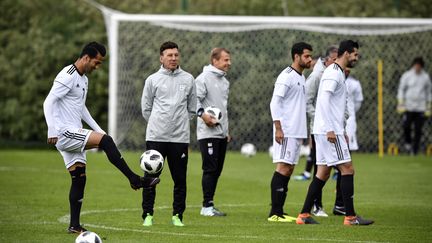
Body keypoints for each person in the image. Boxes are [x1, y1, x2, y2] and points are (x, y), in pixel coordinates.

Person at [43, 42, 160, 234]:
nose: (97, 67)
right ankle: (135, 179)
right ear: (86, 58)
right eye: (96, 63)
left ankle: (74, 225)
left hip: (73, 132)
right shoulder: (67, 75)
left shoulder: (84, 80)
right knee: (106, 142)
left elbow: (81, 109)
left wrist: (100, 130)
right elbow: (49, 101)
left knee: (79, 178)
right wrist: (52, 130)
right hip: (64, 132)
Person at [296, 40, 374, 225]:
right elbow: (323, 100)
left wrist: (340, 129)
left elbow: (334, 105)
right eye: (355, 54)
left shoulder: (336, 72)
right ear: (346, 53)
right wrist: (331, 129)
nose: (356, 58)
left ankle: (304, 215)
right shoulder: (334, 73)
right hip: (329, 132)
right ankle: (350, 217)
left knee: (322, 173)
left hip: (326, 130)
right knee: (347, 169)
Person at [141, 41, 196, 227]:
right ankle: (147, 214)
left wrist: (178, 124)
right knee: (150, 179)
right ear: (161, 58)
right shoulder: (152, 80)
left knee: (180, 179)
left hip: (179, 138)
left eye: (176, 55)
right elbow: (146, 109)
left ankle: (177, 216)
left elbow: (192, 109)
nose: (173, 58)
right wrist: (160, 123)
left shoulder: (188, 79)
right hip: (156, 136)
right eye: (169, 55)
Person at [268, 42, 313, 222]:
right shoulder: (286, 76)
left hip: (296, 131)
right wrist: (279, 129)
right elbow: (274, 103)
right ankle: (275, 213)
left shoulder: (301, 77)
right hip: (286, 130)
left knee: (289, 168)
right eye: (307, 56)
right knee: (283, 167)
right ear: (296, 56)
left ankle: (279, 211)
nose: (310, 59)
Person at [293, 45, 339, 217]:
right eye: (334, 60)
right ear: (327, 60)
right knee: (322, 168)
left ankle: (339, 205)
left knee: (332, 167)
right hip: (320, 129)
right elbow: (307, 102)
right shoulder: (316, 77)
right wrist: (321, 119)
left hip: (332, 128)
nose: (337, 63)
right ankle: (316, 206)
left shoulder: (334, 74)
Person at [196, 48, 232, 217]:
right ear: (215, 61)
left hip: (221, 133)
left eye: (229, 59)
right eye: (225, 60)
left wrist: (226, 130)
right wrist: (204, 117)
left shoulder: (225, 82)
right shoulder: (203, 79)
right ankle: (206, 207)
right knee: (210, 169)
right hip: (207, 132)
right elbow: (193, 101)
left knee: (217, 170)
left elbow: (223, 108)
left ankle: (210, 205)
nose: (229, 63)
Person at [397, 57, 432, 155]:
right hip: (408, 107)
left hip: (421, 108)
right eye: (416, 65)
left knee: (418, 130)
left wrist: (428, 106)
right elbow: (401, 89)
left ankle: (415, 151)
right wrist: (400, 103)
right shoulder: (407, 75)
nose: (417, 68)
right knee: (406, 126)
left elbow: (429, 92)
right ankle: (408, 142)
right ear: (413, 65)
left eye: (419, 66)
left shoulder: (425, 77)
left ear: (421, 67)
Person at [345, 68, 364, 151]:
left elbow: (358, 102)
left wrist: (350, 112)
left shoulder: (354, 83)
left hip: (349, 118)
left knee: (348, 144)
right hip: (333, 118)